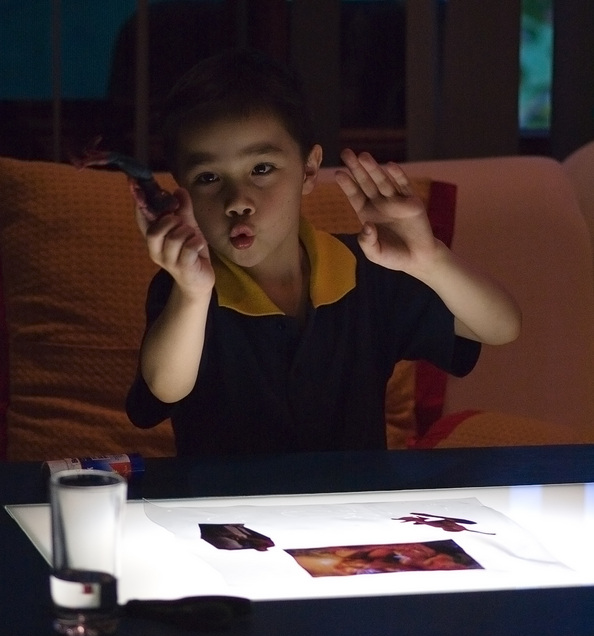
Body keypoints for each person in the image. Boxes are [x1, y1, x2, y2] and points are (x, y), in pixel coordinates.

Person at [126, 49, 521, 456]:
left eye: (262, 169)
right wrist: (191, 293)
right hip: (226, 514)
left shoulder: (365, 270)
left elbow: (501, 327)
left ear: (309, 170)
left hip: (357, 511)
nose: (237, 200)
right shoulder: (188, 287)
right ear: (182, 189)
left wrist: (430, 260)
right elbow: (165, 386)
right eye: (208, 177)